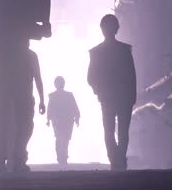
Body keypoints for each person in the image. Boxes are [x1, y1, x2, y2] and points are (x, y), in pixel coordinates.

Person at [0, 31, 46, 173]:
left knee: (5, 124)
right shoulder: (29, 55)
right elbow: (38, 77)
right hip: (21, 91)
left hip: (5, 89)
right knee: (23, 125)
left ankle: (2, 159)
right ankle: (16, 158)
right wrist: (41, 100)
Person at [87, 14, 137, 170]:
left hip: (107, 98)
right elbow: (131, 75)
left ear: (102, 29)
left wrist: (99, 91)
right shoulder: (125, 50)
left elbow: (90, 78)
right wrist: (132, 96)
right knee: (123, 130)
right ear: (117, 28)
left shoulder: (96, 52)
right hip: (124, 97)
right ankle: (120, 158)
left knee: (108, 130)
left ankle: (115, 159)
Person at [47, 76, 80, 165]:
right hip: (61, 120)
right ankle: (62, 157)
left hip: (66, 120)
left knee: (64, 139)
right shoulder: (53, 96)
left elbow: (74, 107)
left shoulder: (66, 95)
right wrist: (48, 119)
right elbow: (50, 108)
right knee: (61, 138)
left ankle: (62, 157)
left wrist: (77, 117)